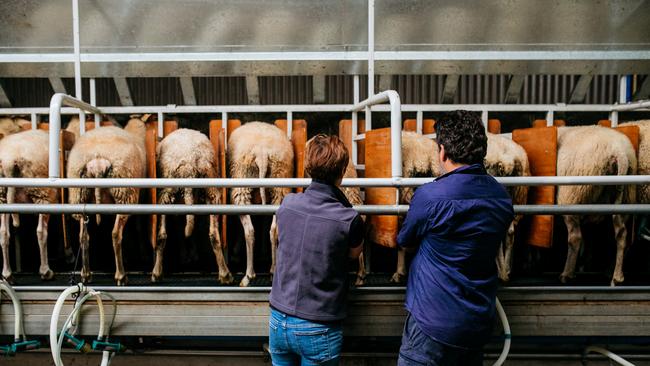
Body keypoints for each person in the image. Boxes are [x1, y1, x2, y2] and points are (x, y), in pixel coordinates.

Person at [396, 110, 514, 365]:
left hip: (431, 324)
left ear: (442, 152)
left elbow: (405, 238)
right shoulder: (502, 197)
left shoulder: (430, 196)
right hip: (476, 324)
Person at [268, 134, 364, 366]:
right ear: (342, 171)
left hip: (278, 321)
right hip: (318, 326)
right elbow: (353, 255)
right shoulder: (349, 218)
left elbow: (281, 238)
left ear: (308, 167)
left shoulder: (287, 204)